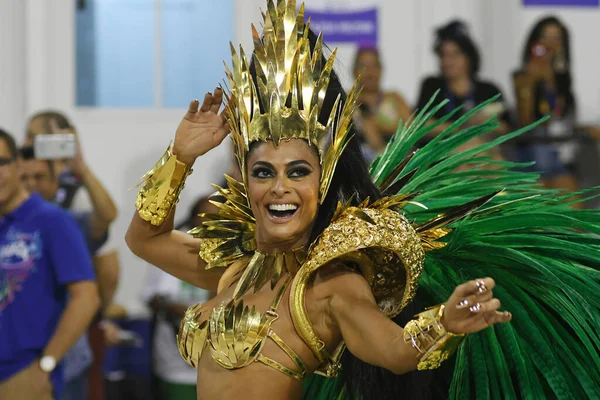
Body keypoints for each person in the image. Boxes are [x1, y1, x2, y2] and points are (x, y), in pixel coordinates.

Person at [126, 2, 600, 399]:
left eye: (299, 172)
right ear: (245, 180)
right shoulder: (233, 268)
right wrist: (180, 157)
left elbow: (393, 351)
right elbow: (143, 239)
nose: (280, 188)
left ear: (323, 178)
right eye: (263, 172)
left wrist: (445, 323)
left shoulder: (327, 286)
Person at [24, 111, 120, 400]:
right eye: (25, 177)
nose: (31, 184)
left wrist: (82, 168)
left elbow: (107, 216)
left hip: (67, 357)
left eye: (40, 177)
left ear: (56, 180)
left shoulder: (67, 221)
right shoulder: (10, 222)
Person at [0, 128, 100, 400]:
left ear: (19, 164)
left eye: (2, 162)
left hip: (23, 375)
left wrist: (46, 364)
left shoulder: (51, 220)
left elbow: (86, 297)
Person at [143, 199, 216, 400]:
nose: (209, 223)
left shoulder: (238, 255)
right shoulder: (170, 251)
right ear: (193, 218)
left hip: (221, 366)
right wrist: (174, 308)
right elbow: (150, 296)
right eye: (204, 217)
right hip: (176, 365)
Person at [512, 16, 585, 196]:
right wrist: (530, 81)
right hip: (534, 149)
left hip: (561, 150)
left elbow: (563, 118)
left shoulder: (563, 80)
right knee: (541, 151)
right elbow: (525, 122)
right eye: (544, 37)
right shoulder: (524, 76)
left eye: (557, 38)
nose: (550, 44)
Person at [416, 20, 511, 156]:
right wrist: (461, 128)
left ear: (469, 57)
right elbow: (422, 125)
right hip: (441, 157)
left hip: (482, 154)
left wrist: (483, 122)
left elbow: (505, 127)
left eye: (454, 55)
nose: (447, 61)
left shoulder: (489, 89)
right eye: (443, 55)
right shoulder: (431, 86)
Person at [352, 47, 412, 160]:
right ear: (354, 70)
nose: (369, 72)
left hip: (393, 163)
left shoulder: (394, 98)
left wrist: (376, 126)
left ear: (381, 70)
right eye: (363, 66)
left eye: (374, 66)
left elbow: (412, 127)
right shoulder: (345, 101)